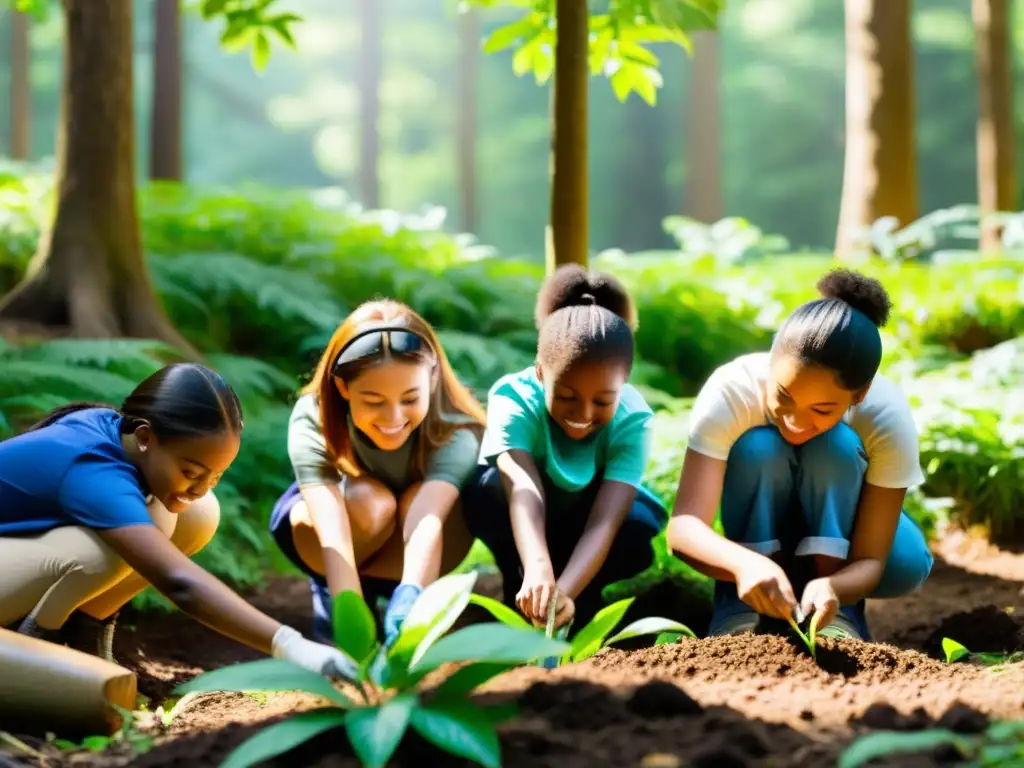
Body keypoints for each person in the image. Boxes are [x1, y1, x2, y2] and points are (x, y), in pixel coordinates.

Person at [0, 363, 354, 678]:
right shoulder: (95, 472)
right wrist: (292, 646)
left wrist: (190, 480)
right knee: (109, 549)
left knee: (195, 514)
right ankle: (36, 658)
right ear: (144, 437)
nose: (201, 487)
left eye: (215, 476)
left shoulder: (117, 433)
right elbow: (178, 581)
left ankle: (86, 637)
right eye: (191, 471)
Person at [666, 268, 933, 641]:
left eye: (822, 410)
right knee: (758, 446)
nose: (794, 422)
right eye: (783, 397)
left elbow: (872, 559)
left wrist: (837, 588)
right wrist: (743, 565)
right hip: (757, 518)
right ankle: (739, 608)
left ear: (860, 393)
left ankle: (839, 615)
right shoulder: (732, 391)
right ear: (772, 360)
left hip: (839, 521)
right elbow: (683, 528)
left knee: (899, 554)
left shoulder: (885, 415)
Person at [462, 264, 667, 634]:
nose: (583, 414)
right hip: (524, 511)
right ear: (540, 373)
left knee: (635, 526)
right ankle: (518, 582)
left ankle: (582, 599)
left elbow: (607, 518)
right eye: (567, 396)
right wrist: (538, 568)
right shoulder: (513, 398)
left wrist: (565, 592)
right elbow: (523, 489)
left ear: (623, 385)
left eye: (603, 401)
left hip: (588, 516)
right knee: (484, 489)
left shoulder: (633, 419)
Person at [268, 300, 485, 646]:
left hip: (418, 543)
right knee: (373, 501)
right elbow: (331, 528)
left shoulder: (456, 427)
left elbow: (428, 515)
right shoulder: (314, 415)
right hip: (337, 531)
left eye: (409, 399)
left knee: (417, 500)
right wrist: (348, 610)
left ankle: (402, 614)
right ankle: (336, 594)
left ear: (431, 378)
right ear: (343, 388)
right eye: (373, 401)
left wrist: (413, 595)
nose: (393, 417)